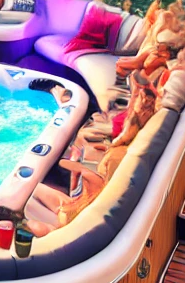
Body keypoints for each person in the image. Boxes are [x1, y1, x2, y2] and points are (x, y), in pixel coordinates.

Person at [34, 81, 158, 225]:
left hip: (73, 202)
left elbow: (83, 176)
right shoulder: (91, 204)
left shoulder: (77, 208)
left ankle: (58, 91)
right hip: (77, 197)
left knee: (36, 187)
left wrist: (79, 169)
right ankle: (57, 91)